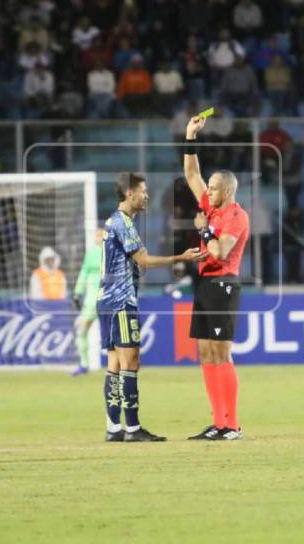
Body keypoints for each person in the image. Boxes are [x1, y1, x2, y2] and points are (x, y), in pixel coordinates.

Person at [98, 172, 204, 442]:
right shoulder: (122, 223)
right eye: (143, 191)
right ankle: (132, 429)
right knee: (130, 361)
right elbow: (143, 260)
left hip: (107, 300)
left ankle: (113, 428)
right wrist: (181, 256)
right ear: (129, 193)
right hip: (121, 301)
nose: (147, 195)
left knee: (114, 362)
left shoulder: (115, 221)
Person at [183, 115, 250, 441]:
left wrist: (204, 230)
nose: (206, 191)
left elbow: (221, 251)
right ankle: (218, 421)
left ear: (227, 189)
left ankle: (232, 425)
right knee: (206, 354)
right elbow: (191, 173)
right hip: (206, 285)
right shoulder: (211, 207)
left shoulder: (236, 216)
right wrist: (190, 136)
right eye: (208, 188)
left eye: (212, 188)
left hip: (224, 284)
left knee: (222, 354)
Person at [71, 228, 103, 376]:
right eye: (97, 235)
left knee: (115, 334)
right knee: (82, 329)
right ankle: (84, 364)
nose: (99, 237)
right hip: (91, 302)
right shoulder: (91, 254)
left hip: (107, 300)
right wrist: (78, 293)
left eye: (101, 234)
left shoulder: (114, 252)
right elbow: (84, 273)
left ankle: (120, 366)